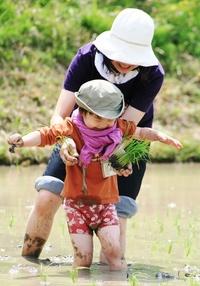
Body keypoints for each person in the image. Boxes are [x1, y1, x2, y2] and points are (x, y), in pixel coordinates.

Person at [19, 8, 166, 261]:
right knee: (47, 195)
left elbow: (123, 131)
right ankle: (28, 263)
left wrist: (114, 166)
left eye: (134, 56)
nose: (128, 61)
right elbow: (60, 115)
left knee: (116, 217)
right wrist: (66, 141)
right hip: (78, 134)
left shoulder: (152, 74)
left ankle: (110, 276)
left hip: (124, 142)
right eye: (123, 53)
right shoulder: (87, 58)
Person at [8, 80, 182, 269]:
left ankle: (116, 281)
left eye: (109, 118)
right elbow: (44, 135)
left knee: (114, 252)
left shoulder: (117, 128)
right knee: (83, 258)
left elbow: (140, 132)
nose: (105, 124)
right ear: (83, 112)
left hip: (106, 206)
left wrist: (161, 136)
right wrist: (22, 141)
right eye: (98, 118)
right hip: (76, 207)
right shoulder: (70, 129)